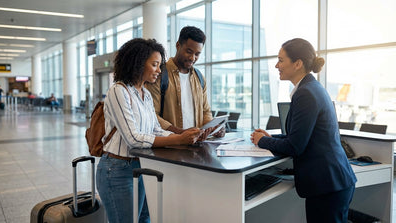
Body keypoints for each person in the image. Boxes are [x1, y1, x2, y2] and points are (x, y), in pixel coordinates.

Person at [96, 38, 203, 223]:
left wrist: (186, 135)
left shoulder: (144, 94)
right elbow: (133, 139)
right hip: (117, 170)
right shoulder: (118, 91)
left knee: (146, 219)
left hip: (142, 165)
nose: (159, 70)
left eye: (160, 65)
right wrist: (178, 140)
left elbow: (155, 129)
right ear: (137, 64)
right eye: (155, 64)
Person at [250, 38, 356, 223]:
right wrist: (270, 137)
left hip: (327, 185)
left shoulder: (305, 93)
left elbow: (295, 146)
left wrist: (262, 141)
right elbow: (300, 135)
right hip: (333, 183)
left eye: (281, 60)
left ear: (297, 63)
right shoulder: (310, 88)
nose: (277, 65)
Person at [146, 26, 224, 140]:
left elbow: (205, 111)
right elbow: (151, 115)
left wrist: (213, 128)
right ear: (178, 45)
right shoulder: (159, 74)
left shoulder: (199, 77)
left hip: (195, 144)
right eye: (189, 51)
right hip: (169, 146)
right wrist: (180, 133)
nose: (193, 58)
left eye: (197, 54)